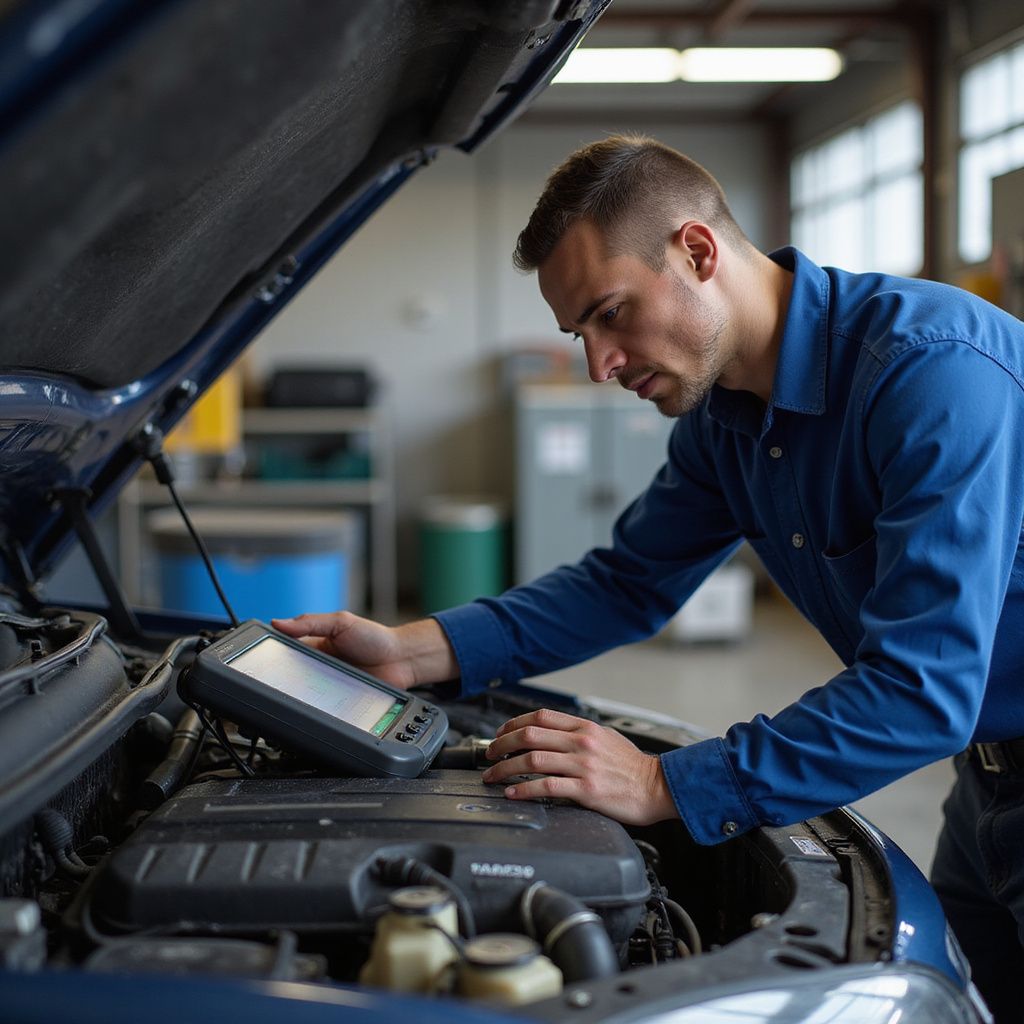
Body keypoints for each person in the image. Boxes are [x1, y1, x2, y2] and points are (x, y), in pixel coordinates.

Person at [273, 135, 1024, 1020]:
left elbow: (917, 693)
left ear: (697, 253)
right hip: (986, 792)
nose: (599, 365)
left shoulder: (931, 375)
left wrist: (664, 785)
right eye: (578, 333)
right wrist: (413, 649)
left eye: (611, 313)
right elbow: (627, 582)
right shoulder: (723, 422)